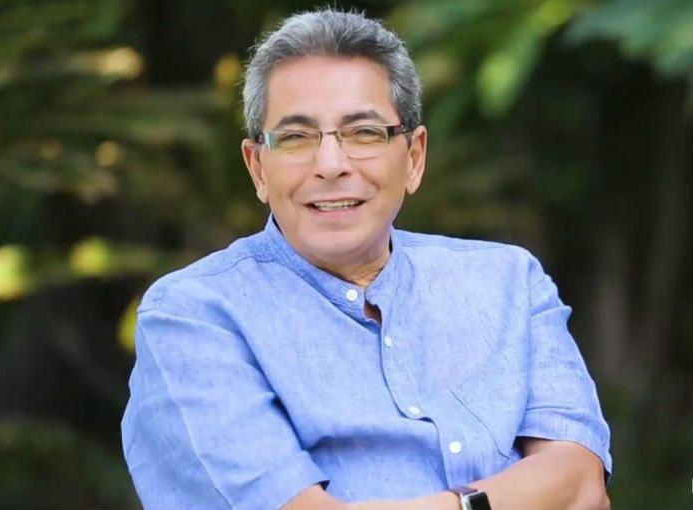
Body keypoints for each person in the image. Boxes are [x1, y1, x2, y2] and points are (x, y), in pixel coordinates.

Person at [121, 8, 612, 510]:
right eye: (296, 137)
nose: (331, 165)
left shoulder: (509, 283)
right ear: (258, 168)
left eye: (364, 133)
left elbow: (581, 486)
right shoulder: (193, 315)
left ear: (414, 157)